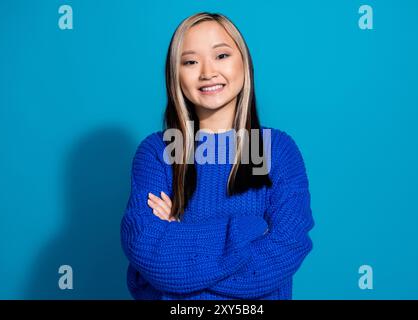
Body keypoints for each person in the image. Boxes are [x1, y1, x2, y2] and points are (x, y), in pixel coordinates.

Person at [120, 12, 314, 300]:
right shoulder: (157, 152)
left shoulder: (277, 150)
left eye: (221, 56)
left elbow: (286, 250)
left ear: (244, 64)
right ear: (176, 75)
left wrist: (181, 241)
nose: (207, 72)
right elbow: (147, 250)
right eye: (190, 61)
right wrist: (247, 230)